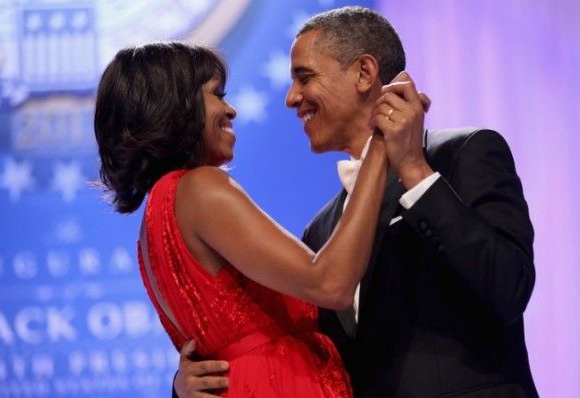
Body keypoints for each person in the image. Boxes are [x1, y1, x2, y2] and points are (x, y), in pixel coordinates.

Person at [175, 6, 539, 398]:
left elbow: (509, 287)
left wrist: (415, 170)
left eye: (304, 77)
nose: (291, 98)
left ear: (364, 74)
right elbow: (292, 351)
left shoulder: (463, 154)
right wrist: (190, 385)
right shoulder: (322, 231)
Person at [93, 41, 414, 397]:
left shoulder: (155, 220)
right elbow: (330, 284)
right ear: (175, 106)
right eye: (216, 94)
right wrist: (379, 143)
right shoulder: (199, 189)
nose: (230, 109)